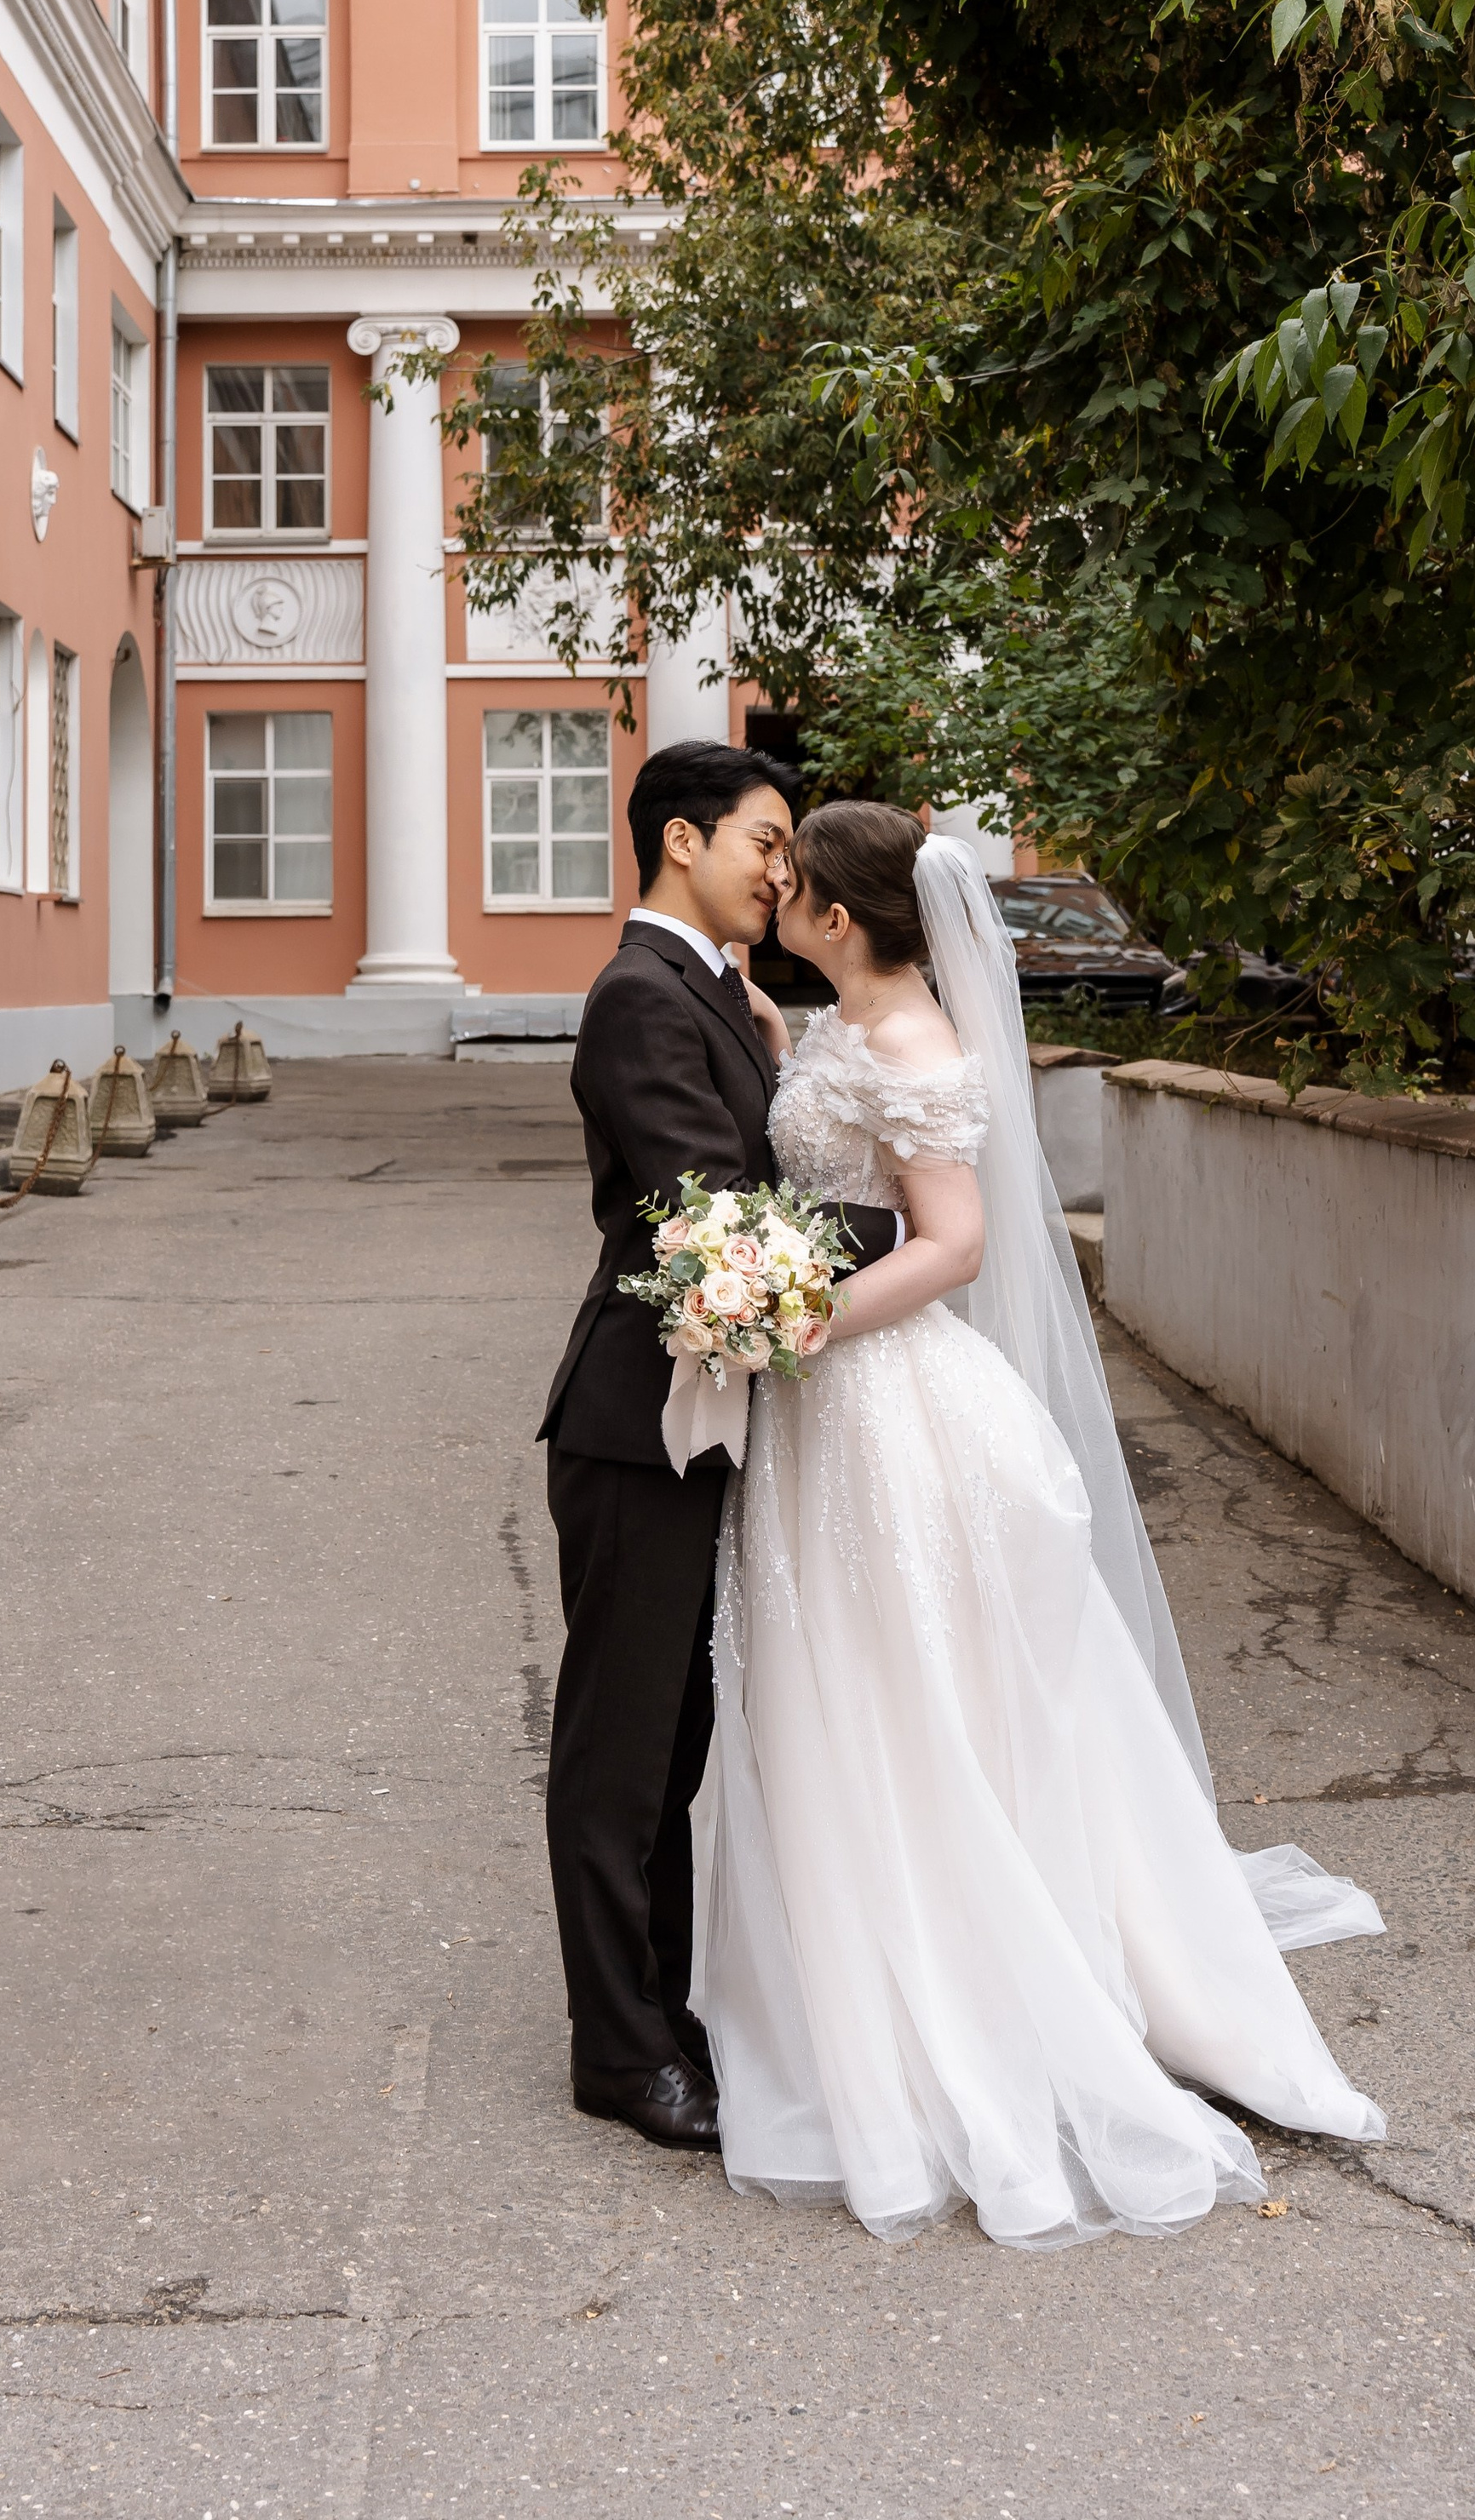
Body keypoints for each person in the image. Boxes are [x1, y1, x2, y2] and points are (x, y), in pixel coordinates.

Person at [692, 800, 1387, 2248]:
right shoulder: (838, 1027)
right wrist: (774, 1055)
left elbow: (956, 1245)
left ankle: (978, 1969)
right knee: (850, 1691)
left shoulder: (917, 1047)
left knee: (920, 1695)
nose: (777, 894)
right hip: (832, 1417)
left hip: (891, 1412)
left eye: (795, 882)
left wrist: (788, 1326)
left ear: (838, 916)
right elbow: (834, 1148)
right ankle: (844, 1956)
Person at [539, 742, 905, 2151]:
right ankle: (619, 2055)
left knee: (677, 1747)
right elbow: (718, 1221)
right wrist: (915, 1238)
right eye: (764, 840)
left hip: (699, 1417)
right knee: (621, 1756)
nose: (781, 868)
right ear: (683, 840)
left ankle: (665, 2012)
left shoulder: (705, 991)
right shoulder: (640, 994)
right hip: (640, 1427)